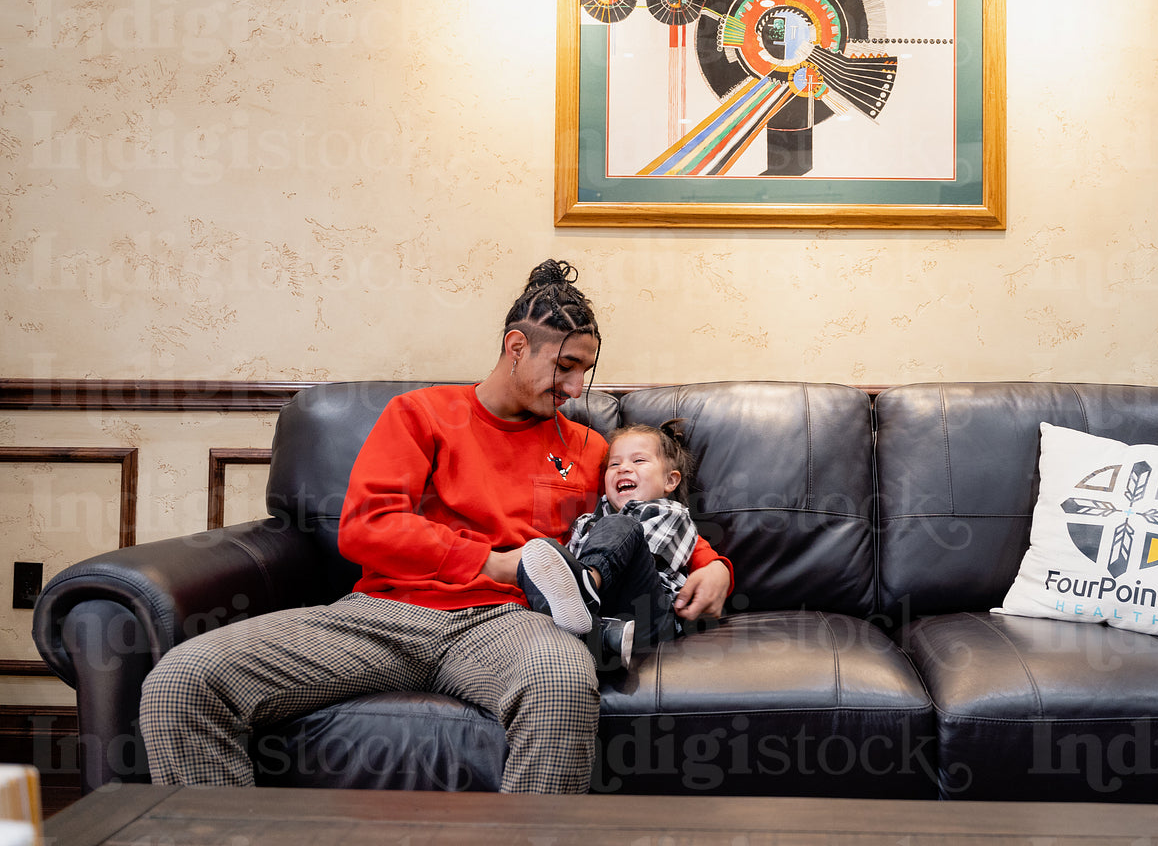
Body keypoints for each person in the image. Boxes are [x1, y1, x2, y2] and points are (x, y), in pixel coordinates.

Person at [137, 259, 733, 794]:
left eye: (586, 371)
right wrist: (492, 561)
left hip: (509, 623)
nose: (577, 388)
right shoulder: (421, 414)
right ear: (517, 347)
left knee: (560, 678)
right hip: (385, 614)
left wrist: (714, 567)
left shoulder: (585, 444)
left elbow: (640, 518)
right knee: (183, 681)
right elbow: (367, 527)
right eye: (566, 367)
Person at [516, 419, 706, 670]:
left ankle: (586, 589)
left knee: (621, 526)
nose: (623, 468)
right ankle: (602, 636)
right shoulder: (587, 521)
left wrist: (581, 577)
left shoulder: (671, 514)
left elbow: (634, 555)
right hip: (605, 617)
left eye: (638, 461)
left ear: (670, 481)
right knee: (538, 553)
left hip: (649, 614)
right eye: (614, 464)